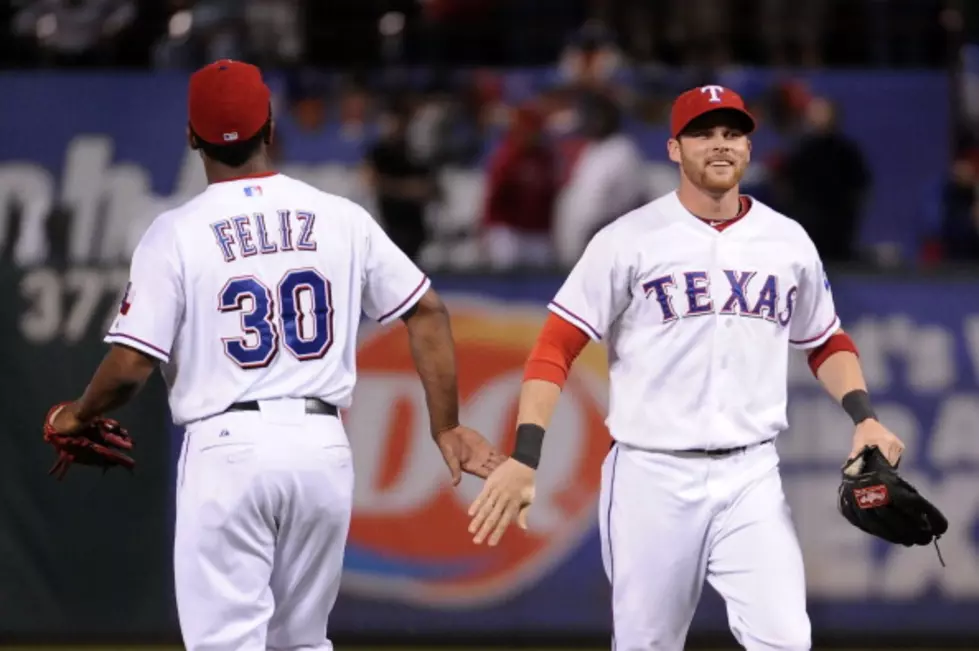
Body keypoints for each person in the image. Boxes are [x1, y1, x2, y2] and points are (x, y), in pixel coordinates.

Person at [42, 60, 503, 651]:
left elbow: (131, 366)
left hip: (228, 449)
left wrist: (79, 414)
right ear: (270, 126)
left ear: (190, 136)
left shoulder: (177, 232)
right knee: (303, 644)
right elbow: (428, 311)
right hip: (321, 448)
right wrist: (446, 426)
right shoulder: (341, 217)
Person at [466, 85, 906, 650]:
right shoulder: (627, 240)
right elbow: (554, 348)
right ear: (674, 149)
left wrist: (864, 418)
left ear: (749, 147)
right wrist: (526, 455)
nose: (720, 145)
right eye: (703, 133)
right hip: (653, 476)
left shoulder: (786, 240)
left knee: (786, 641)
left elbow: (824, 342)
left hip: (750, 475)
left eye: (732, 133)